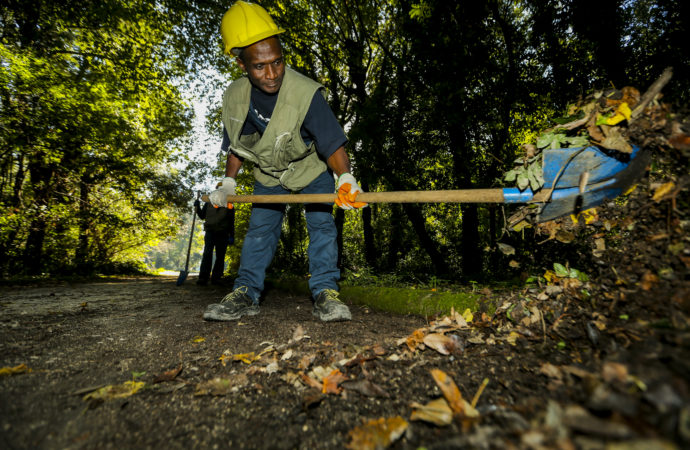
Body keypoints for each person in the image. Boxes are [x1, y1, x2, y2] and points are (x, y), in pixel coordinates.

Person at [203, 1, 366, 323]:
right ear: (242, 65)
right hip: (268, 173)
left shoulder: (305, 92)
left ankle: (325, 293)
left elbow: (330, 141)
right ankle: (246, 292)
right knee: (260, 231)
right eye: (260, 66)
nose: (272, 73)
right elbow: (238, 144)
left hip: (310, 168)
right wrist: (229, 181)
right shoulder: (235, 96)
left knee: (322, 227)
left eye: (277, 62)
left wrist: (345, 178)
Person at [195, 193, 235, 286]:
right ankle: (203, 278)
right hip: (210, 232)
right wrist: (197, 206)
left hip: (223, 233)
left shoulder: (229, 204)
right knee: (207, 254)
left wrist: (232, 235)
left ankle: (216, 278)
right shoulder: (209, 203)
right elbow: (202, 216)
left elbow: (231, 220)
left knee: (220, 256)